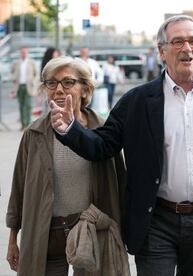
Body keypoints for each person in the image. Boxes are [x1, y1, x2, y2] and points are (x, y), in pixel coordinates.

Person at [50, 15, 193, 276]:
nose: (187, 49)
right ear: (162, 52)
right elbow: (102, 145)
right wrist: (70, 129)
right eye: (177, 42)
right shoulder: (138, 100)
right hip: (155, 220)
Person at [6, 56, 127, 275]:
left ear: (85, 89)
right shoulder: (34, 134)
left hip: (90, 231)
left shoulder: (103, 132)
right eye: (51, 83)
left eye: (68, 82)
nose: (59, 89)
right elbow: (19, 189)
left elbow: (119, 184)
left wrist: (122, 233)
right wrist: (13, 238)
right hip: (47, 232)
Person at [11, 47, 38, 130]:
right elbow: (12, 71)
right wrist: (13, 78)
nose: (23, 53)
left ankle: (28, 124)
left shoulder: (31, 62)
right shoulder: (16, 63)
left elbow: (36, 74)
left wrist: (33, 82)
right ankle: (23, 124)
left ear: (27, 52)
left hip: (29, 86)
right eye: (22, 52)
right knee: (21, 105)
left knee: (28, 105)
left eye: (25, 52)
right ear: (20, 53)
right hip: (19, 87)